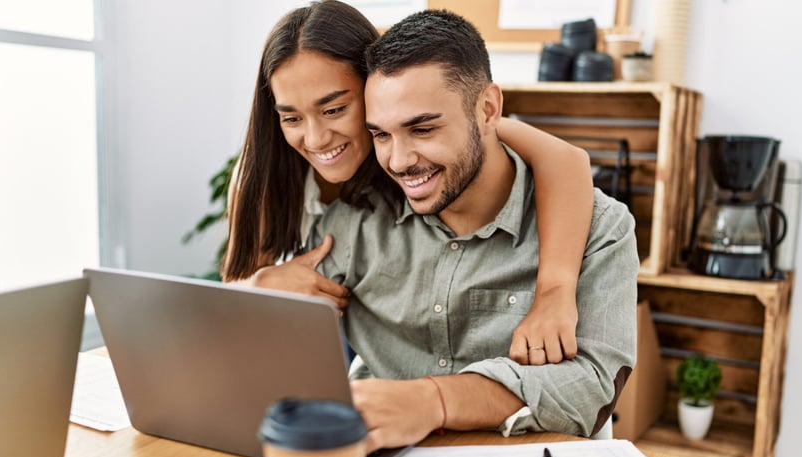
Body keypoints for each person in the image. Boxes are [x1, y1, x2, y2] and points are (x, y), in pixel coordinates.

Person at [308, 9, 639, 453]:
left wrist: (436, 400)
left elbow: (592, 390)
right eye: (381, 135)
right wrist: (265, 293)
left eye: (422, 128)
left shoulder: (601, 228)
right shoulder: (353, 224)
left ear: (488, 109)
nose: (400, 160)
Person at [221, 0, 593, 365]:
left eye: (334, 109)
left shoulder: (426, 134)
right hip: (325, 315)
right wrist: (260, 288)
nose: (316, 139)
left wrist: (554, 291)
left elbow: (567, 160)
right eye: (292, 118)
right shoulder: (263, 180)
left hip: (394, 312)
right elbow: (228, 305)